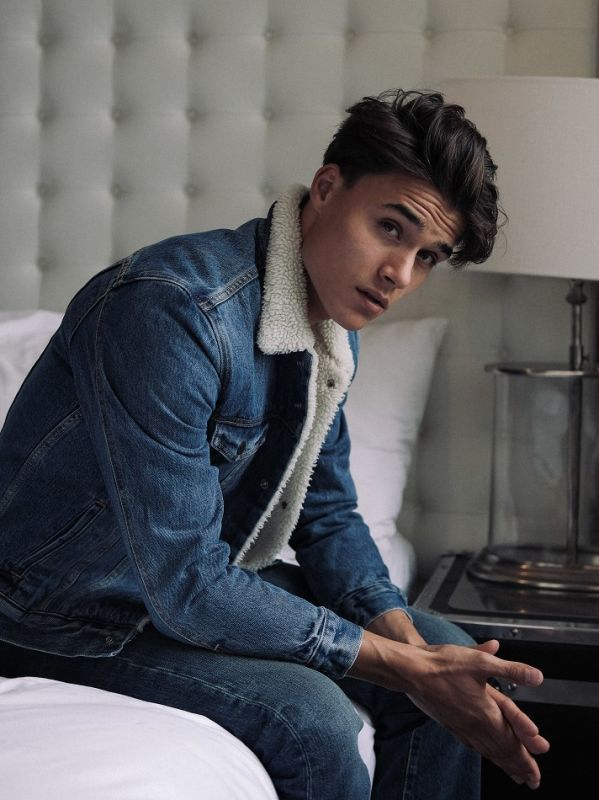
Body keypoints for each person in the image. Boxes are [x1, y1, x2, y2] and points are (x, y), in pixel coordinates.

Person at [0, 89, 548, 799]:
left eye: (427, 257)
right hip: (58, 614)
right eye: (390, 228)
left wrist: (416, 651)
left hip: (184, 590)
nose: (400, 274)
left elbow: (327, 515)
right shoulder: (169, 309)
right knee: (313, 720)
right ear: (326, 188)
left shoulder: (330, 324)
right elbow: (189, 581)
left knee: (449, 649)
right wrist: (404, 668)